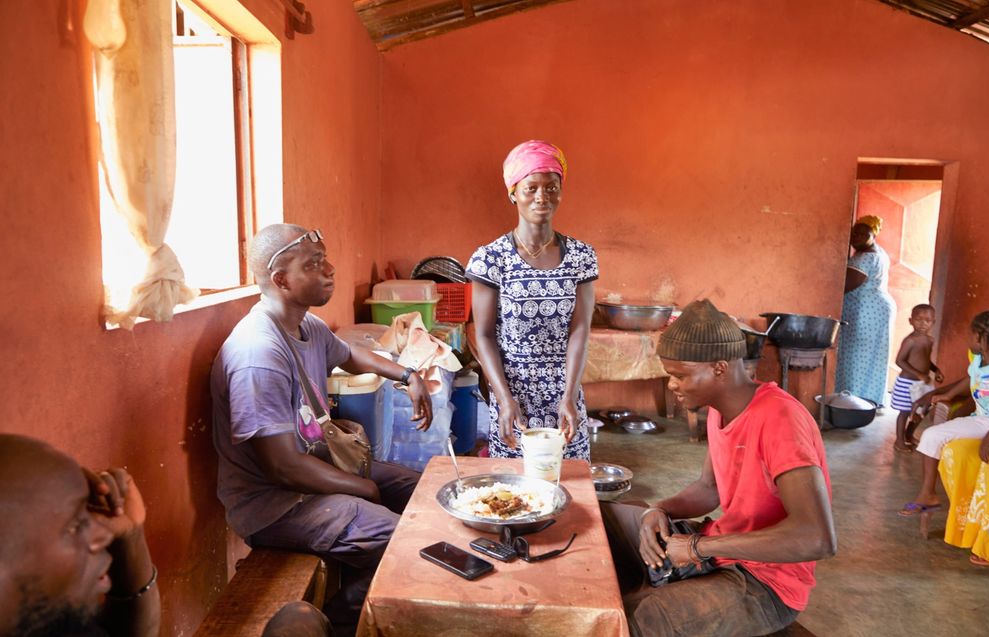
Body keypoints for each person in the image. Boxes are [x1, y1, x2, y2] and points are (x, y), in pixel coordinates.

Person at [210, 224, 433, 634]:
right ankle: (333, 621)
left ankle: (357, 597)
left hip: (317, 469)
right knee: (409, 545)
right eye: (314, 264)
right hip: (276, 503)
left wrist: (408, 375)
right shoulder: (258, 353)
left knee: (425, 493)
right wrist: (360, 488)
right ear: (281, 280)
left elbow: (351, 356)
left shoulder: (305, 326)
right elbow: (282, 468)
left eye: (324, 258)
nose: (330, 269)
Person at [601, 300, 836, 636]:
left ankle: (651, 596)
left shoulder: (780, 419)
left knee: (641, 619)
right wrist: (659, 509)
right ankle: (651, 584)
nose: (671, 384)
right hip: (721, 550)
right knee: (604, 519)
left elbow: (817, 538)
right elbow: (708, 489)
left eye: (679, 375)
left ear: (719, 368)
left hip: (765, 582)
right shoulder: (719, 409)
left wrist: (699, 548)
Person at [467, 140, 598, 460]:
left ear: (561, 191)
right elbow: (482, 335)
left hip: (563, 395)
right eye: (531, 188)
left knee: (569, 486)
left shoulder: (581, 257)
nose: (542, 197)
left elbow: (580, 329)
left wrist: (569, 395)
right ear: (513, 192)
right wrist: (504, 398)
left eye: (551, 187)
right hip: (512, 396)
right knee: (513, 493)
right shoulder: (490, 259)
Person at [0, 434, 159, 637]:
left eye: (86, 514)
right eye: (74, 526)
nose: (104, 534)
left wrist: (130, 539)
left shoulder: (42, 620)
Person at [899, 310, 989, 545]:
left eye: (970, 335)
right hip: (984, 419)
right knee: (931, 436)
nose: (968, 339)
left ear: (983, 338)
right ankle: (928, 494)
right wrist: (936, 395)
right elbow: (968, 382)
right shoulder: (979, 361)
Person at [835, 215, 896, 407]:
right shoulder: (877, 253)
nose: (857, 236)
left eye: (864, 233)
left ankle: (855, 402)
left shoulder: (865, 258)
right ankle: (868, 400)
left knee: (857, 357)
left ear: (874, 235)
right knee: (869, 357)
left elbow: (845, 285)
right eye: (855, 232)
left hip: (866, 314)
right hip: (874, 311)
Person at [891, 304, 944, 452]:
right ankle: (899, 441)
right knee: (905, 412)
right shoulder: (910, 341)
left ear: (933, 322)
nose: (923, 323)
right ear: (910, 321)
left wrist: (936, 370)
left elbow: (925, 360)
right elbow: (899, 361)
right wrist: (919, 374)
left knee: (923, 409)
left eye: (927, 320)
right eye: (919, 319)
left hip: (922, 383)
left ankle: (909, 434)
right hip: (907, 383)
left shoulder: (929, 340)